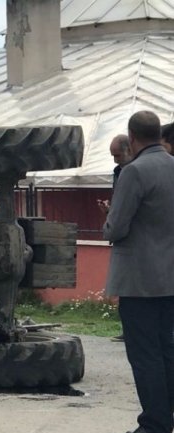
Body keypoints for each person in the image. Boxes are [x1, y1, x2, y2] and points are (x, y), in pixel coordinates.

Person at [105, 110, 174, 433]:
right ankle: (165, 421)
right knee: (167, 351)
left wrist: (108, 226)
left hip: (140, 278)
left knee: (145, 354)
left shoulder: (134, 172)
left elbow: (117, 226)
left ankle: (153, 427)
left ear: (132, 138)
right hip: (170, 276)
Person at [98, 134, 133, 342]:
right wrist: (110, 211)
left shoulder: (137, 171)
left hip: (137, 240)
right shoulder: (118, 172)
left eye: (117, 155)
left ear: (129, 149)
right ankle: (127, 329)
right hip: (121, 235)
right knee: (124, 286)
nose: (115, 160)